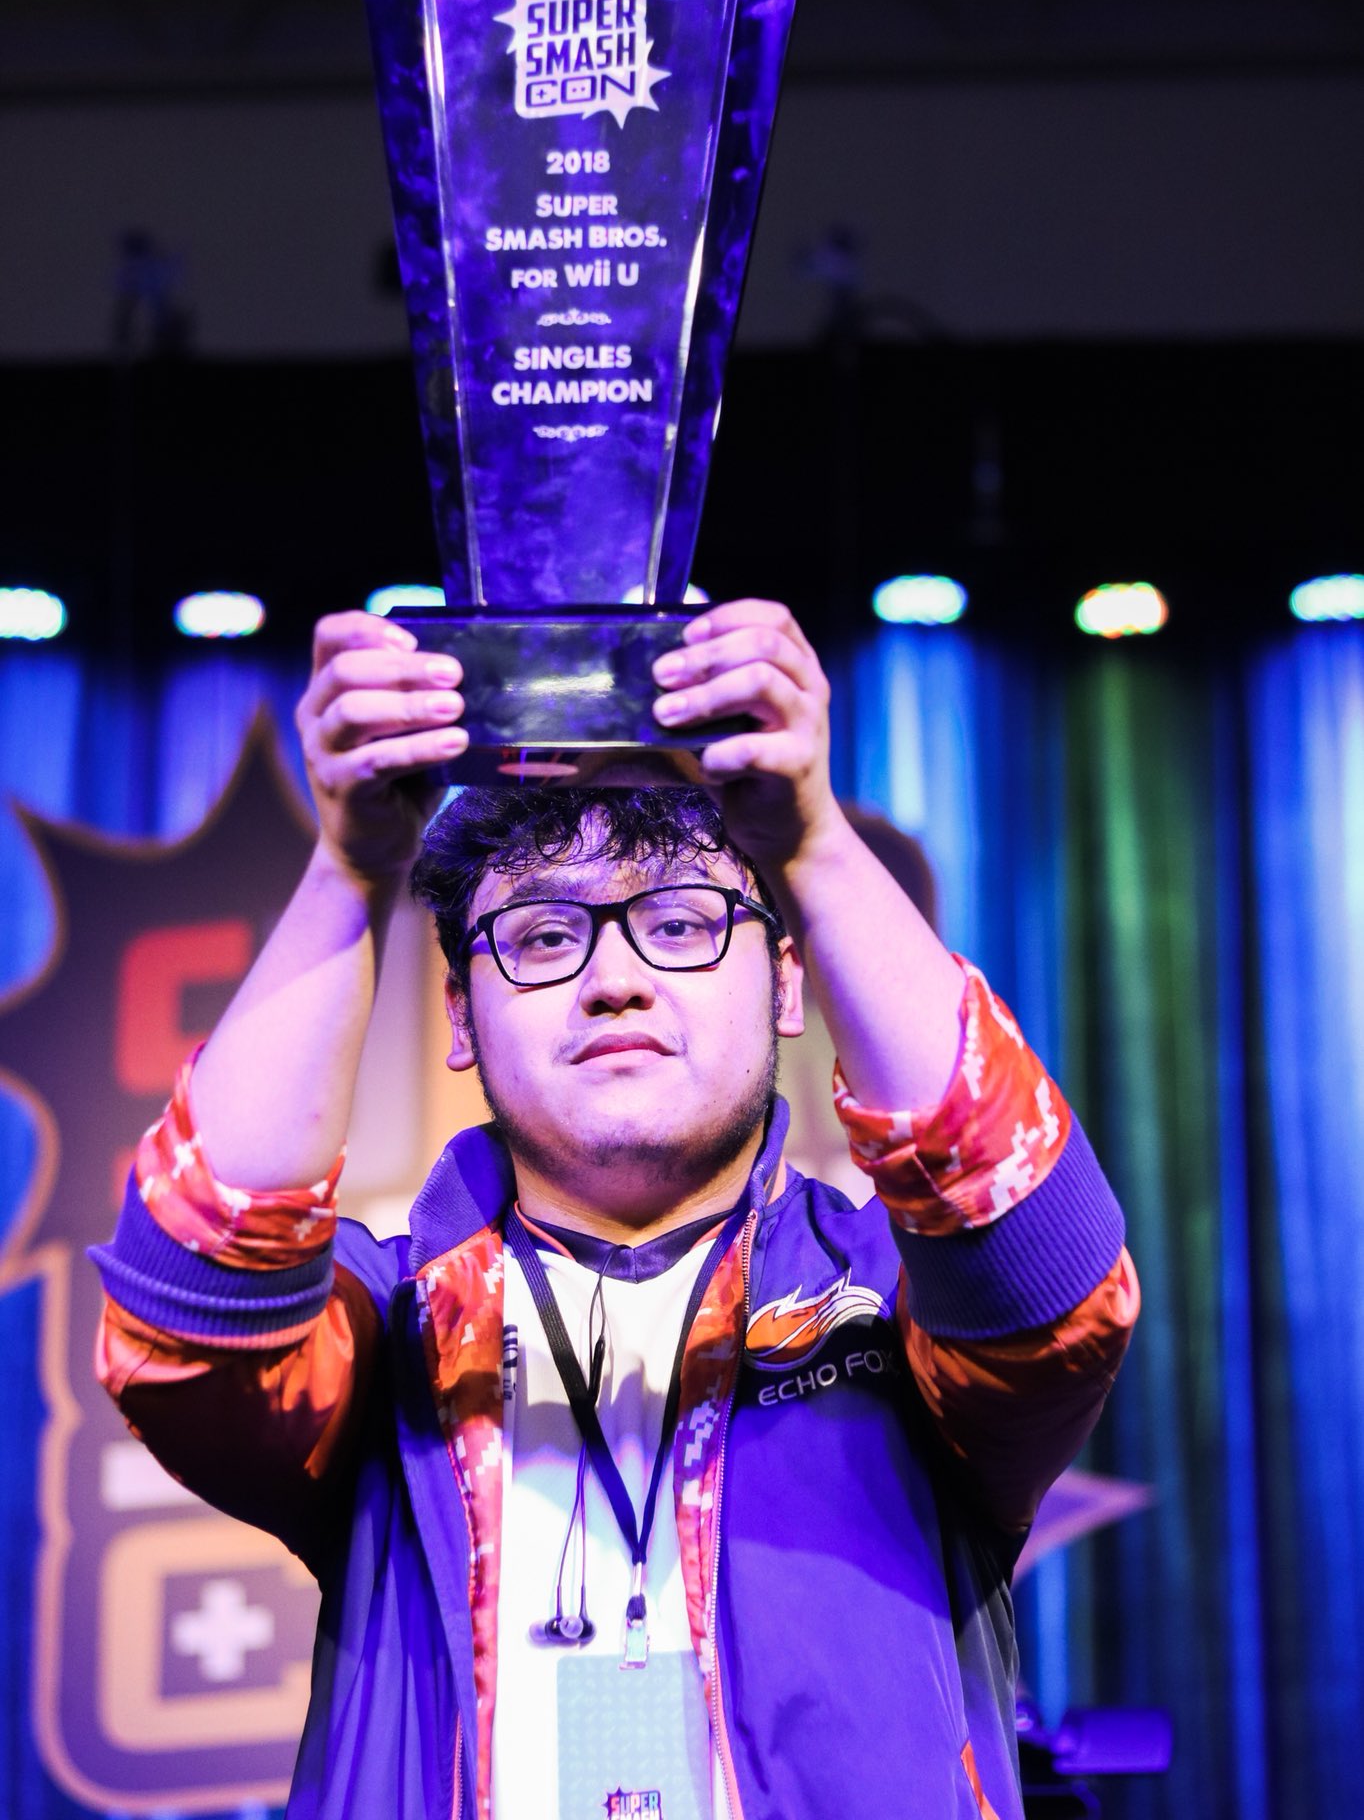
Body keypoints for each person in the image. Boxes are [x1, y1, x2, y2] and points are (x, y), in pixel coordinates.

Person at [93, 599, 1138, 1820]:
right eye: (543, 936)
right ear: (461, 1014)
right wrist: (347, 867)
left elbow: (1042, 1264)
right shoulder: (388, 1329)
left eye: (682, 921)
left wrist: (809, 840)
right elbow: (191, 1304)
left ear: (786, 982)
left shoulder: (890, 1308)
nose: (616, 978)